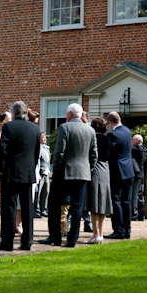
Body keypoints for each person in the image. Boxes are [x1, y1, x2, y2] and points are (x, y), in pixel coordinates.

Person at [39, 103, 96, 248]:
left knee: (54, 205)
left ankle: (55, 237)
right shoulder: (90, 130)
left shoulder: (65, 127)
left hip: (64, 173)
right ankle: (72, 239)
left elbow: (59, 152)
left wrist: (56, 170)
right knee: (77, 207)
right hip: (82, 174)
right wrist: (88, 169)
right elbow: (94, 154)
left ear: (70, 114)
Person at [0, 101, 41, 251]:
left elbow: (2, 149)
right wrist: (32, 168)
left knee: (9, 207)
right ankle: (27, 241)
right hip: (27, 172)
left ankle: (7, 242)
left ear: (13, 113)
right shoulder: (35, 128)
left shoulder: (8, 126)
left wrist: (1, 167)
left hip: (10, 172)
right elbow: (36, 152)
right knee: (28, 208)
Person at [106, 111, 134, 240]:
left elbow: (108, 153)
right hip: (129, 170)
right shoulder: (128, 131)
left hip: (117, 170)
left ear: (110, 122)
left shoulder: (112, 134)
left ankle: (119, 230)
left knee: (116, 200)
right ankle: (127, 230)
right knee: (126, 201)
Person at [86, 117, 112, 244]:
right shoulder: (108, 139)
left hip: (95, 169)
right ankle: (100, 234)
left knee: (94, 203)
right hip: (106, 169)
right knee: (102, 204)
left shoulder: (92, 139)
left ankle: (95, 235)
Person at [34, 131, 50, 218]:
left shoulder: (47, 149)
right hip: (40, 173)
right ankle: (36, 210)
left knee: (46, 191)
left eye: (45, 137)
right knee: (38, 192)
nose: (44, 139)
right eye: (42, 138)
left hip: (47, 172)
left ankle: (43, 209)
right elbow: (37, 161)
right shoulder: (38, 148)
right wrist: (38, 173)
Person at [131, 133, 146, 221]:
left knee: (134, 194)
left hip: (136, 174)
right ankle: (141, 215)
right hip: (141, 174)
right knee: (140, 195)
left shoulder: (136, 149)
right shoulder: (143, 149)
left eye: (133, 140)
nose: (131, 141)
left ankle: (134, 215)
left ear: (137, 141)